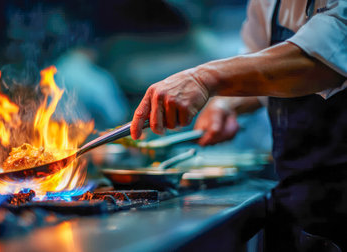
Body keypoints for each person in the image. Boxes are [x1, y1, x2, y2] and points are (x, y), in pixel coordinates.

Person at [130, 0, 346, 250]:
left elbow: (324, 59)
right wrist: (225, 105)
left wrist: (201, 78)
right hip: (296, 196)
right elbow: (264, 66)